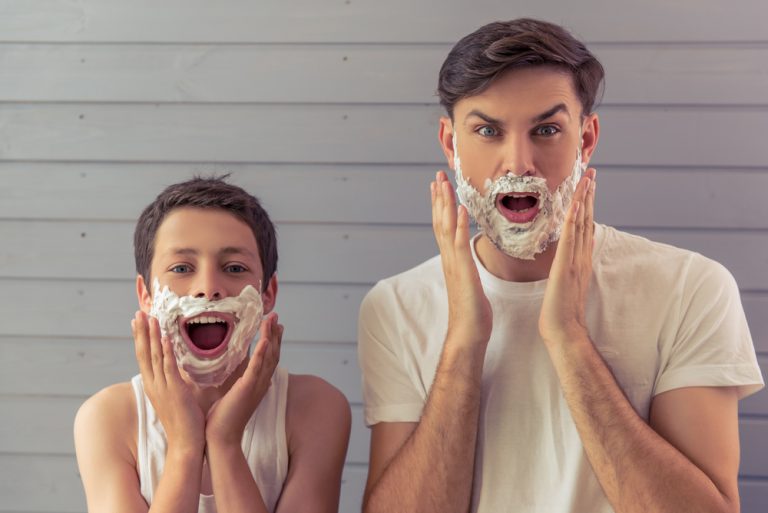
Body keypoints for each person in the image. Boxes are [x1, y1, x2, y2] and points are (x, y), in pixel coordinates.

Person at [358, 18, 763, 513]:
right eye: (487, 130)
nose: (518, 163)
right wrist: (464, 338)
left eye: (547, 130)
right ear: (450, 144)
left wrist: (569, 338)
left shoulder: (691, 288)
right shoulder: (394, 306)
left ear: (587, 139)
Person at [75, 176, 351, 513]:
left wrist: (225, 443)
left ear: (268, 294)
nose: (208, 288)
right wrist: (184, 447)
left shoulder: (315, 409)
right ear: (145, 296)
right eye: (181, 268)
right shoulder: (109, 418)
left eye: (234, 268)